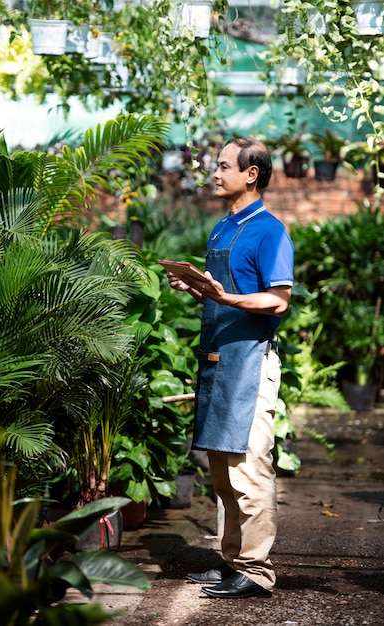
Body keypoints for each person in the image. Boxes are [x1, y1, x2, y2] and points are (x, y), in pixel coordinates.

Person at [165, 137, 294, 599]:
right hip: (218, 357)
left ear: (251, 173)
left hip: (250, 362)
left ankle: (256, 571)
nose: (214, 174)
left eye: (222, 166)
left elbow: (277, 301)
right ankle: (233, 561)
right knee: (221, 468)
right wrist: (197, 288)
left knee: (248, 467)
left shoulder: (270, 231)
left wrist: (222, 297)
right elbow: (225, 292)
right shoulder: (222, 228)